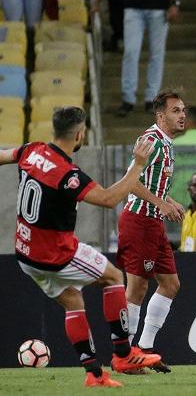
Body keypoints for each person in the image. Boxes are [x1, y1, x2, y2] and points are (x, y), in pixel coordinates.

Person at [0, 106, 162, 387]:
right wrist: (138, 165)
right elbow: (110, 199)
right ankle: (123, 354)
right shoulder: (67, 173)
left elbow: (3, 155)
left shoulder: (32, 150)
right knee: (113, 277)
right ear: (80, 133)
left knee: (73, 301)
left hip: (26, 253)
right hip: (55, 253)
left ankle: (94, 374)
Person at [116, 90, 186, 374]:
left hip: (154, 223)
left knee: (170, 285)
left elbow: (151, 183)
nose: (182, 115)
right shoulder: (150, 141)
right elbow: (129, 182)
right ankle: (125, 355)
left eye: (183, 110)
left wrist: (168, 201)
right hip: (138, 222)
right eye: (175, 110)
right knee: (137, 287)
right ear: (161, 115)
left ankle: (144, 349)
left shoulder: (167, 143)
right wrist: (160, 202)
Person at [93, 0, 181, 117]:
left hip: (159, 6)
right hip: (133, 6)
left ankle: (152, 98)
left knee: (157, 54)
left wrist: (175, 3)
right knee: (131, 51)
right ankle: (128, 98)